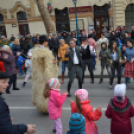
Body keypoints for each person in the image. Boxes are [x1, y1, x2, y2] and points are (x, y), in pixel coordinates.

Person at [32, 35, 58, 113]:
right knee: (46, 90)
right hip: (44, 74)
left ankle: (41, 106)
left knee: (40, 90)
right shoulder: (44, 52)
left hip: (38, 74)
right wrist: (49, 78)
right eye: (47, 42)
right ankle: (46, 107)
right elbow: (47, 66)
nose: (47, 43)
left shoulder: (35, 51)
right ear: (44, 42)